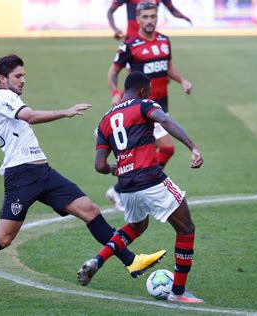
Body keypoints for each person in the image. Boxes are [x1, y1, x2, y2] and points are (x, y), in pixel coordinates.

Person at [0, 54, 167, 295]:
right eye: (18, 76)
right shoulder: (5, 98)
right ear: (3, 79)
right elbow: (31, 117)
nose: (23, 80)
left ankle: (132, 261)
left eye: (23, 75)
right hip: (21, 176)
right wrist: (65, 112)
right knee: (2, 238)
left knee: (89, 210)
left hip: (42, 172)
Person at [77, 71, 204, 304]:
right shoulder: (144, 104)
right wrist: (193, 147)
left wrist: (113, 169)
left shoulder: (105, 119)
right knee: (186, 228)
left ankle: (99, 259)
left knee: (137, 225)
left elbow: (99, 165)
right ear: (144, 90)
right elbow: (165, 120)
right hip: (150, 178)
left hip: (126, 185)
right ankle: (178, 292)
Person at [106, 0, 193, 211]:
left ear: (157, 17)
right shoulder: (130, 45)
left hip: (160, 106)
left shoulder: (164, 41)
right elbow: (113, 72)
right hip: (140, 110)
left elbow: (167, 67)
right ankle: (131, 188)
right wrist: (115, 92)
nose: (149, 20)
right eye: (145, 17)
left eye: (153, 16)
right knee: (167, 148)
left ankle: (121, 189)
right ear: (138, 20)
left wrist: (182, 80)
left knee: (145, 156)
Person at [107, 0, 191, 40]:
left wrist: (183, 17)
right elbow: (110, 12)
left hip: (151, 36)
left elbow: (172, 10)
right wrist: (115, 29)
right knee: (133, 71)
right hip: (132, 36)